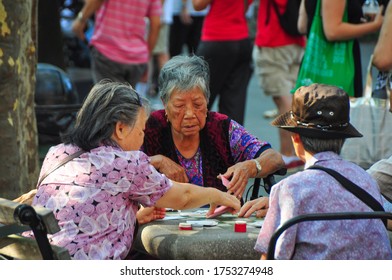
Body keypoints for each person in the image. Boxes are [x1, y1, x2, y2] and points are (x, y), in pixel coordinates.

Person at [27, 80, 240, 260]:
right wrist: (217, 194)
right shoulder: (126, 162)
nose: (143, 137)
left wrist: (131, 219)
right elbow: (183, 197)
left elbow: (80, 216)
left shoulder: (57, 153)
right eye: (141, 130)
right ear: (120, 128)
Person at [254, 83, 391, 259]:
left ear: (296, 138)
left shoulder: (289, 189)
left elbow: (272, 258)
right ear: (343, 139)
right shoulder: (367, 181)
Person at [142, 55, 285, 200]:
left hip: (221, 219)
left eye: (198, 104)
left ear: (207, 100)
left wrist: (251, 166)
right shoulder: (148, 128)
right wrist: (156, 161)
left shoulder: (222, 128)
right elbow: (120, 164)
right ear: (165, 104)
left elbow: (275, 158)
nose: (190, 114)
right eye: (179, 106)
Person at [253, 0, 306, 170]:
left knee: (284, 100)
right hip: (297, 41)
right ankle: (298, 152)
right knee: (294, 99)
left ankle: (289, 154)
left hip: (274, 41)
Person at [297, 0, 384, 97]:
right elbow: (332, 31)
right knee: (339, 108)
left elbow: (302, 26)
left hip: (314, 61)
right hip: (341, 61)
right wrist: (374, 26)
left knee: (310, 108)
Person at [71, 0, 161, 88]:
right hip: (136, 58)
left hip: (107, 50)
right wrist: (146, 56)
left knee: (109, 100)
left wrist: (81, 19)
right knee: (127, 100)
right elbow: (156, 24)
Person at [192, 0, 253, 125]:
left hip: (216, 37)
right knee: (233, 105)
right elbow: (245, 7)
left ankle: (191, 143)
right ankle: (231, 142)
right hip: (241, 38)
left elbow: (198, 4)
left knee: (197, 101)